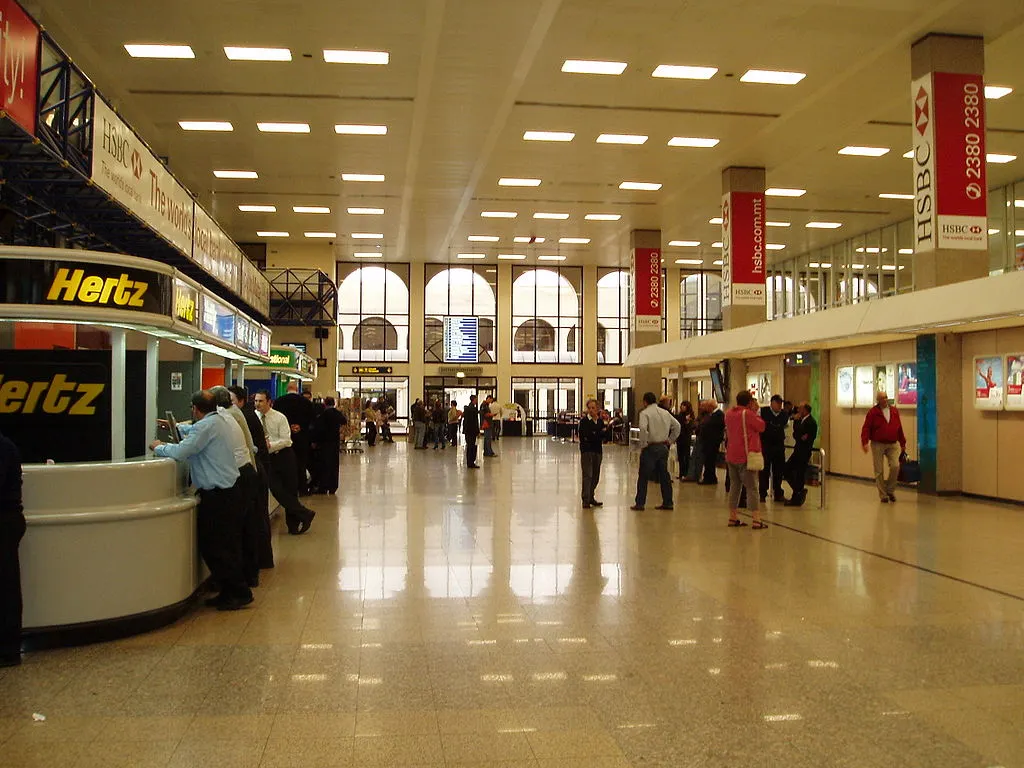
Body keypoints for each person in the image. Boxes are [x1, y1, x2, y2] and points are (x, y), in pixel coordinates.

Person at [151, 391, 253, 610]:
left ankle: (238, 592)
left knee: (217, 547)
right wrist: (177, 427)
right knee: (226, 545)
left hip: (219, 497)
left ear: (195, 409)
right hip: (229, 492)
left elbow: (182, 451)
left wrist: (158, 447)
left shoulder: (207, 426)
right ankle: (230, 591)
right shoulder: (221, 420)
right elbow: (196, 433)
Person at [209, 386, 263, 588]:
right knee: (249, 526)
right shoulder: (233, 415)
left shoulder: (223, 418)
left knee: (240, 529)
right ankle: (250, 573)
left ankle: (241, 578)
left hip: (240, 476)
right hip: (249, 471)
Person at [254, 391, 316, 534]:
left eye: (261, 401)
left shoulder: (279, 418)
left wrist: (270, 446)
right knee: (276, 489)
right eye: (256, 401)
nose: (257, 404)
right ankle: (304, 513)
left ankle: (293, 525)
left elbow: (287, 440)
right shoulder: (254, 418)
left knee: (289, 490)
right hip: (267, 459)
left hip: (284, 456)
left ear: (269, 402)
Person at [228, 386, 274, 572]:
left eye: (230, 402)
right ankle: (263, 559)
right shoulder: (247, 415)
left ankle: (258, 560)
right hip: (258, 468)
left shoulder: (241, 417)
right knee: (259, 516)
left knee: (255, 518)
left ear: (240, 401)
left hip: (254, 469)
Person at [631, 392, 680, 511]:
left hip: (651, 447)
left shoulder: (645, 413)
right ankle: (668, 502)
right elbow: (677, 426)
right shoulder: (665, 413)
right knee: (664, 475)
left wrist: (643, 444)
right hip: (663, 447)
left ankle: (640, 503)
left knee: (643, 476)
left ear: (645, 402)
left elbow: (643, 428)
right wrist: (670, 440)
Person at [724, 391, 767, 529]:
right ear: (749, 402)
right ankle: (756, 519)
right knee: (752, 488)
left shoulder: (729, 413)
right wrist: (755, 411)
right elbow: (761, 426)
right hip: (746, 455)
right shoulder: (747, 414)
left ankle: (733, 516)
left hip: (731, 454)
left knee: (734, 486)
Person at [0, 428, 25, 666]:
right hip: (9, 520)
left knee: (6, 588)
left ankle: (8, 649)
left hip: (5, 522)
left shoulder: (3, 447)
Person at [861, 391, 907, 503]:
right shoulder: (873, 412)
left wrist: (903, 443)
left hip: (892, 443)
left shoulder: (894, 411)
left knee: (895, 466)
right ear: (878, 400)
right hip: (878, 443)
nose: (885, 400)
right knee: (879, 470)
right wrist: (865, 442)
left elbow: (899, 427)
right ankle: (883, 495)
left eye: (886, 397)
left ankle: (890, 490)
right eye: (882, 398)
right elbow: (866, 427)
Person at [272, 381, 314, 495]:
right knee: (301, 464)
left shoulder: (279, 401)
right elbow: (311, 419)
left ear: (287, 389)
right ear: (297, 389)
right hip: (302, 437)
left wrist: (289, 427)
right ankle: (303, 489)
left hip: (285, 438)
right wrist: (300, 426)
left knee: (287, 465)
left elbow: (275, 418)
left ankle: (288, 490)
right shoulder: (306, 402)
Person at [785, 402, 818, 507]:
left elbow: (806, 438)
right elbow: (796, 434)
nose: (798, 410)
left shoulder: (811, 422)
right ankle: (798, 491)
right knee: (786, 469)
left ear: (805, 410)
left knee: (800, 474)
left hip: (804, 452)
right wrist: (799, 432)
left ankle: (796, 497)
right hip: (797, 450)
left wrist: (800, 435)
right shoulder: (800, 421)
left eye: (800, 408)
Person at [759, 394, 789, 503]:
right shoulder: (763, 412)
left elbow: (786, 426)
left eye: (781, 403)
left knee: (778, 471)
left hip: (779, 446)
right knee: (764, 470)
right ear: (772, 403)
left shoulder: (784, 415)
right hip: (766, 445)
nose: (780, 406)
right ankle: (762, 493)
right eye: (778, 403)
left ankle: (778, 493)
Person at [578, 399, 607, 509]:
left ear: (598, 409)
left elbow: (603, 436)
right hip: (587, 451)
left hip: (598, 451)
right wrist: (597, 435)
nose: (591, 410)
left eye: (593, 408)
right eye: (589, 408)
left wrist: (598, 435)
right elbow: (585, 437)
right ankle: (585, 499)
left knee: (595, 475)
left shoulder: (599, 422)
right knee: (588, 475)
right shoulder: (584, 422)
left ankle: (591, 496)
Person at [314, 397, 345, 493]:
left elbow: (319, 429)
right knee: (334, 464)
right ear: (334, 403)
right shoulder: (337, 413)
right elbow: (344, 421)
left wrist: (315, 441)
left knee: (325, 464)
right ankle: (333, 486)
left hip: (325, 442)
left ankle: (323, 486)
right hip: (335, 442)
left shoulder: (323, 414)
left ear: (324, 403)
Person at [700, 401, 726, 485]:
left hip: (713, 441)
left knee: (710, 460)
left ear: (711, 406)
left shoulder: (719, 414)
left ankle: (709, 478)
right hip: (708, 441)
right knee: (708, 460)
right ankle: (709, 477)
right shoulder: (711, 414)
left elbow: (716, 426)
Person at [675, 401, 696, 480]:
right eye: (681, 405)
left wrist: (687, 422)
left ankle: (686, 473)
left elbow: (690, 426)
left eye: (683, 405)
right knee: (680, 456)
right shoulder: (680, 415)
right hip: (680, 438)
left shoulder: (690, 415)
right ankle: (681, 473)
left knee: (686, 456)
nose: (681, 407)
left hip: (686, 438)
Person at [463, 395, 481, 469]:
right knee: (472, 446)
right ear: (474, 400)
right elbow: (475, 422)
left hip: (467, 430)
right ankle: (471, 462)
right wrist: (478, 431)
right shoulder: (473, 409)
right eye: (476, 399)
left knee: (469, 446)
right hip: (472, 431)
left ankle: (469, 462)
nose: (477, 401)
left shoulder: (467, 409)